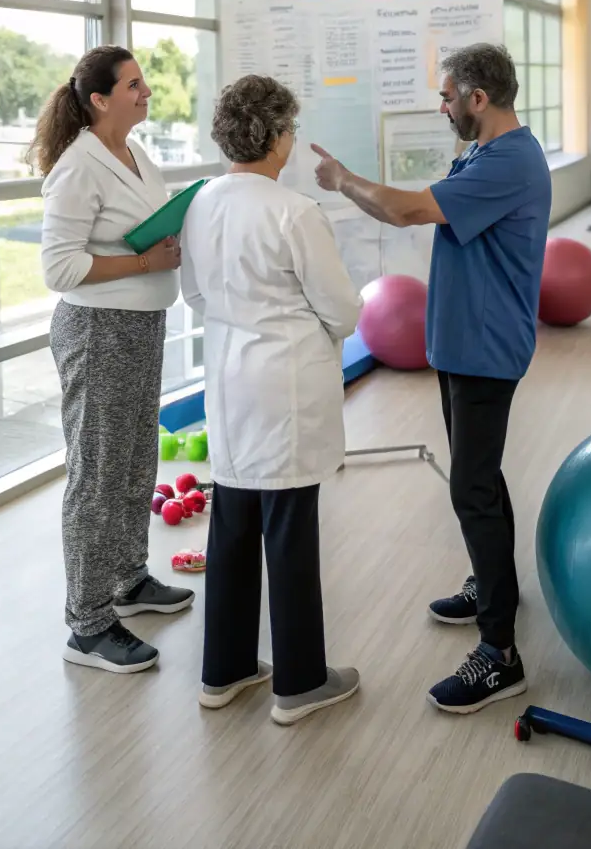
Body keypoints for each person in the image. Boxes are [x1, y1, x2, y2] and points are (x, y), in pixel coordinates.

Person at [312, 42, 551, 715]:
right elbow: (422, 213)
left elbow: (409, 210)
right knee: (481, 474)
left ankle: (499, 653)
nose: (441, 106)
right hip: (462, 342)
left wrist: (345, 179)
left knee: (471, 484)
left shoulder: (509, 160)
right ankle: (493, 584)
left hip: (484, 347)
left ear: (479, 97)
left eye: (447, 95)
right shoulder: (481, 153)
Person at [180, 74, 362, 726]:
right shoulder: (294, 212)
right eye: (289, 128)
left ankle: (222, 671)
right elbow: (341, 308)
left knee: (231, 521)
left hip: (228, 379)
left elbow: (195, 294)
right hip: (284, 382)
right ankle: (300, 681)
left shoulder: (200, 201)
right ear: (277, 136)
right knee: (288, 528)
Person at [33, 44, 194, 675]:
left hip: (139, 328)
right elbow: (60, 266)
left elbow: (143, 224)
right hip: (97, 332)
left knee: (134, 459)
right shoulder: (78, 166)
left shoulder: (132, 153)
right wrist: (146, 263)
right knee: (97, 474)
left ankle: (127, 578)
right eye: (134, 85)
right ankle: (88, 624)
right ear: (99, 99)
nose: (146, 92)